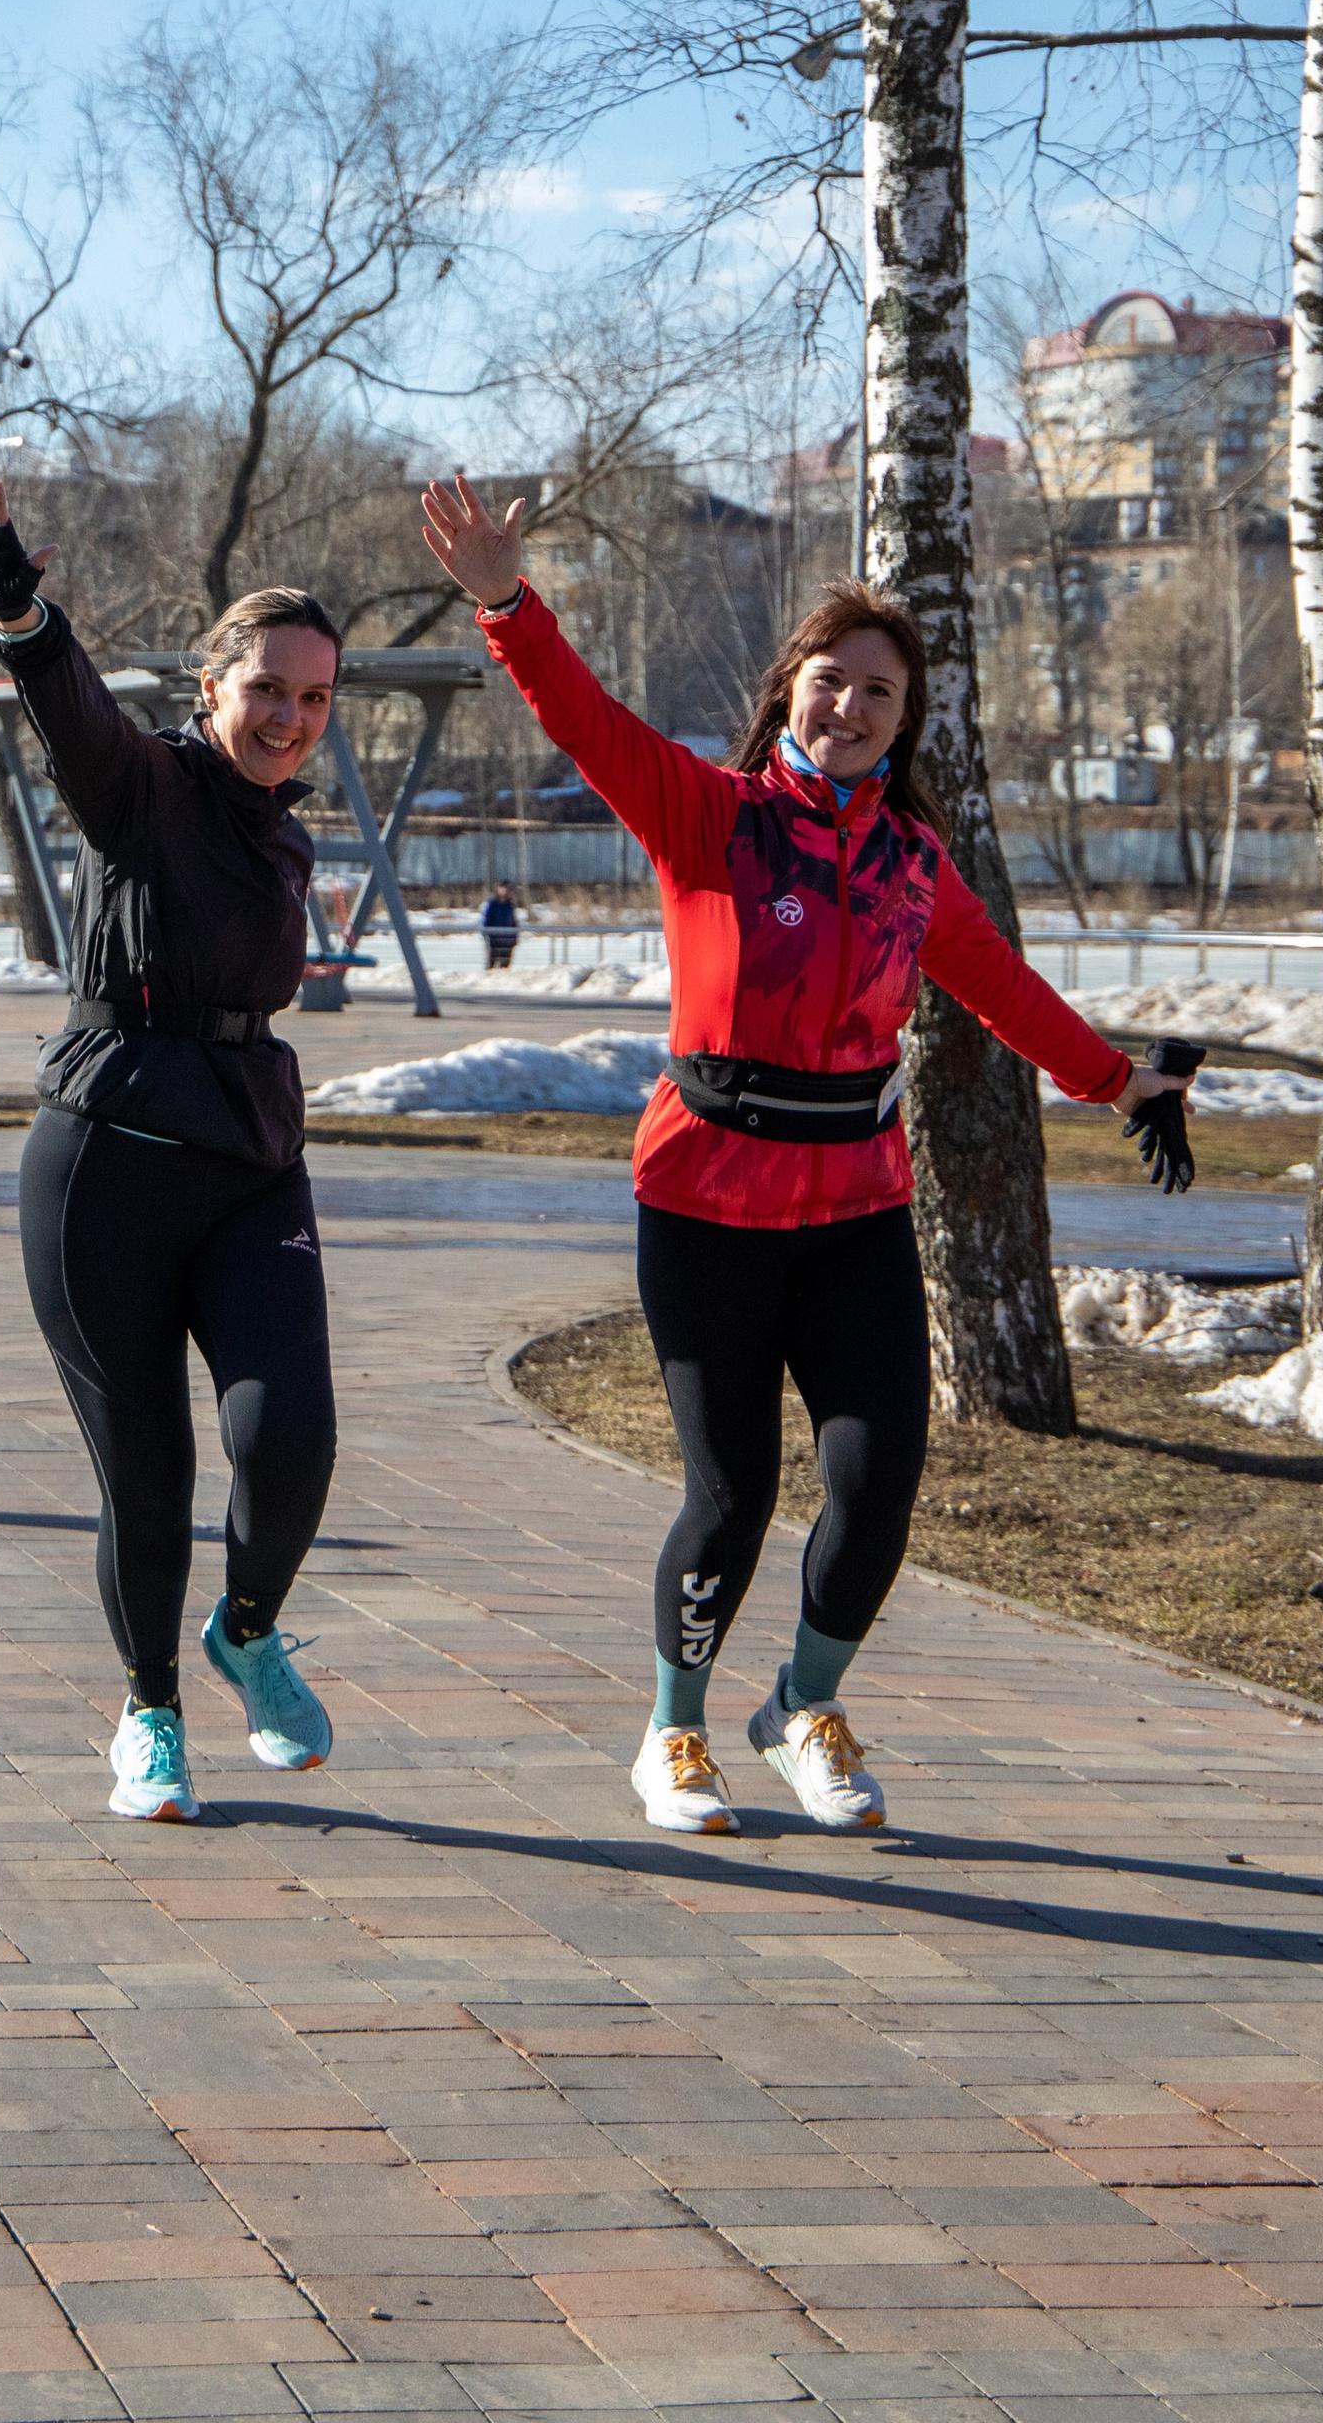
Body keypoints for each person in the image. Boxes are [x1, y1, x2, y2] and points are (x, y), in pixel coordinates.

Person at [419, 473, 1191, 1836]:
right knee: (733, 1493)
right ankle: (675, 1732)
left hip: (854, 1209)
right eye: (832, 681)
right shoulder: (711, 816)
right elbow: (586, 725)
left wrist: (1120, 1080)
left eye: (880, 692)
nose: (852, 707)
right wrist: (505, 607)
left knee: (878, 1476)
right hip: (708, 1200)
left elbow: (999, 985)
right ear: (791, 693)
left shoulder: (909, 861)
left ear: (906, 721)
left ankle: (803, 1706)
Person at [0, 472, 338, 1823]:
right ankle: (152, 1708)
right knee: (151, 1476)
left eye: (314, 700)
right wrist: (18, 603)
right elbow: (71, 716)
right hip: (105, 1164)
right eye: (268, 690)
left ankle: (249, 1626)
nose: (289, 719)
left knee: (289, 1440)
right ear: (213, 686)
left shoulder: (284, 840)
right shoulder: (148, 792)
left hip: (248, 1155)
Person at [480, 881, 520, 971]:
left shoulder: (510, 905)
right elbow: (484, 922)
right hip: (494, 941)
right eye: (503, 888)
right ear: (498, 889)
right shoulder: (491, 904)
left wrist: (514, 938)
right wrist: (487, 936)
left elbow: (514, 922)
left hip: (507, 942)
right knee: (490, 968)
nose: (505, 891)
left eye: (507, 889)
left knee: (505, 969)